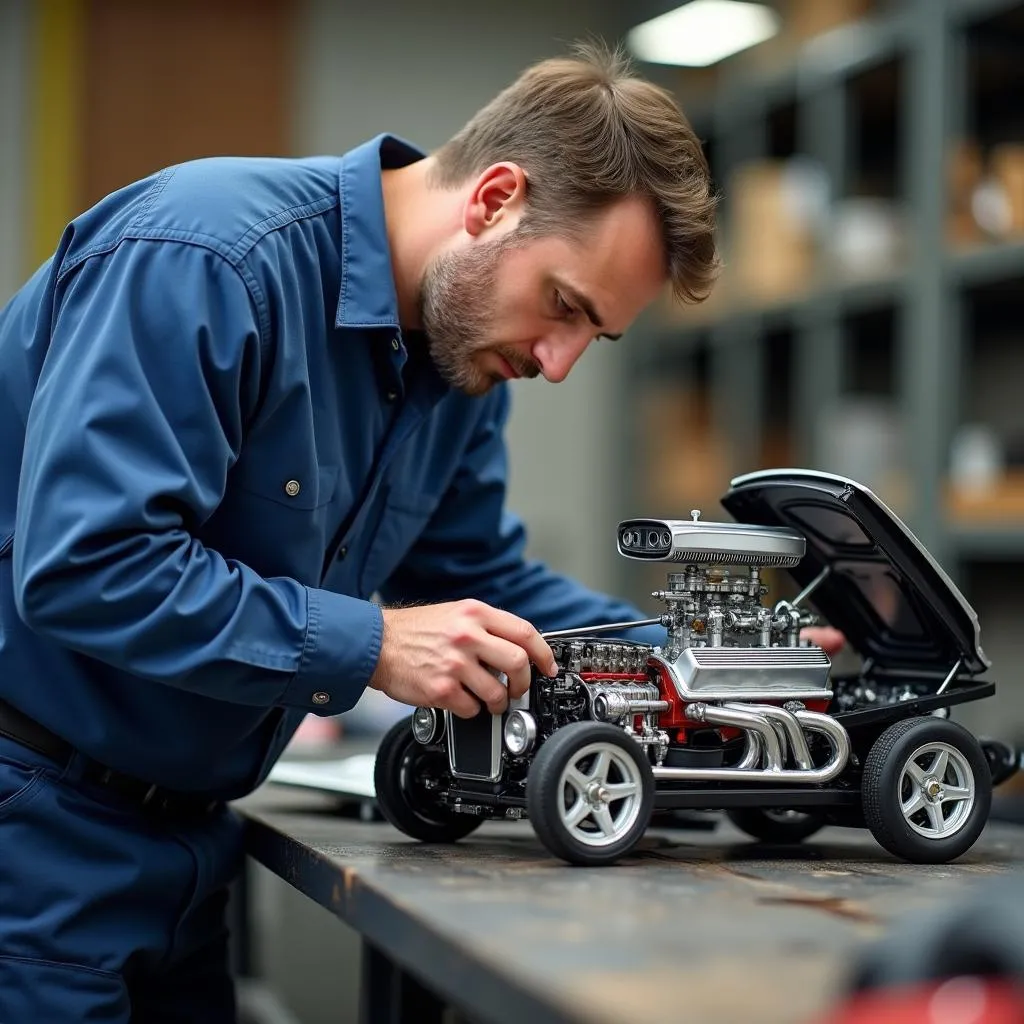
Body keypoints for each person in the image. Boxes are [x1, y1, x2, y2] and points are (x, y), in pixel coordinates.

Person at [0, 40, 839, 1022]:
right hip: (31, 833)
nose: (558, 362)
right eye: (562, 306)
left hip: (188, 844)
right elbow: (89, 565)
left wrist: (701, 665)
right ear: (492, 199)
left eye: (593, 334)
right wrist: (375, 644)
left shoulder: (458, 362)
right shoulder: (207, 259)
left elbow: (481, 573)